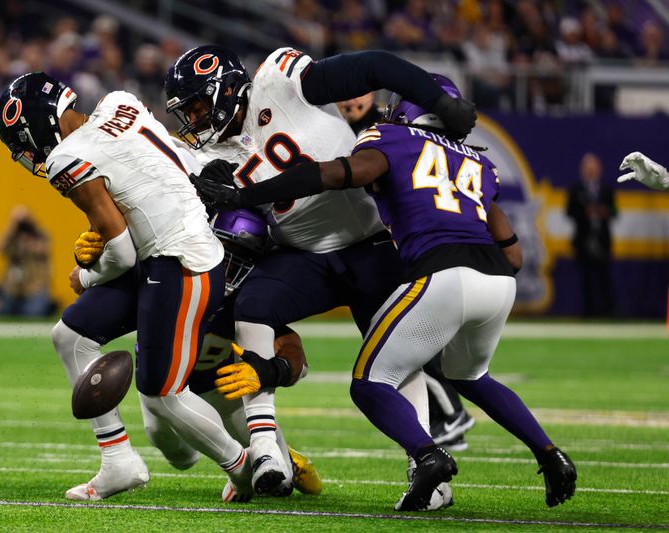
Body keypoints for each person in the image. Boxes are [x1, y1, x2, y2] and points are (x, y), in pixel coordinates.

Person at [193, 74, 577, 512]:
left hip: (440, 274)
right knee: (472, 376)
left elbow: (335, 174)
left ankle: (427, 456)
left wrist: (248, 192)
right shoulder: (478, 162)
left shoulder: (391, 138)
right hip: (497, 282)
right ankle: (550, 454)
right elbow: (512, 253)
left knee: (369, 384)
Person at [165, 44, 476, 497]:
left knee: (396, 357)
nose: (193, 122)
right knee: (252, 307)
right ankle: (266, 445)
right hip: (306, 255)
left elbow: (373, 66)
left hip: (374, 242)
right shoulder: (214, 155)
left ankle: (424, 464)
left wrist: (437, 100)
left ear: (225, 89)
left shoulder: (282, 81)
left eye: (195, 108)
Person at [0, 72, 255, 502]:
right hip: (171, 250)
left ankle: (242, 466)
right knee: (70, 336)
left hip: (182, 261)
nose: (28, 154)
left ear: (35, 127)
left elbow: (120, 253)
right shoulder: (120, 101)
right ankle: (118, 460)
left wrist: (86, 276)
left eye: (22, 142)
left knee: (163, 396)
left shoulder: (65, 158)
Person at [56, 208, 320, 502]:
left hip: (221, 391)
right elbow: (106, 274)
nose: (231, 265)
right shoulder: (169, 274)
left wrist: (275, 370)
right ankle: (243, 460)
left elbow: (293, 351)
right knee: (176, 453)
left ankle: (263, 459)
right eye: (226, 251)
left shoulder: (250, 301)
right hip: (160, 381)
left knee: (279, 479)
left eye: (242, 257)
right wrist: (88, 266)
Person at [338, 92, 477, 451]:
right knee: (410, 343)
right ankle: (447, 417)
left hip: (401, 249)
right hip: (424, 252)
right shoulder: (366, 130)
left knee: (398, 349)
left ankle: (451, 414)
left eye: (356, 95)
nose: (350, 102)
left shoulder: (385, 134)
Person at [566, 153, 617, 317]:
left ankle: (608, 311)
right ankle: (589, 312)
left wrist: (604, 211)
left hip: (602, 239)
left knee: (604, 278)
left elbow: (615, 211)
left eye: (593, 167)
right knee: (586, 278)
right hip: (583, 239)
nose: (591, 171)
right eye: (588, 167)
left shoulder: (606, 188)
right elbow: (569, 211)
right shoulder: (576, 189)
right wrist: (585, 213)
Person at [0, 205, 54, 317]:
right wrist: (11, 228)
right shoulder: (12, 236)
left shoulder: (40, 235)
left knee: (33, 314)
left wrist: (30, 242)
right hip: (13, 288)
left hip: (34, 287)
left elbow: (44, 249)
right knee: (4, 313)